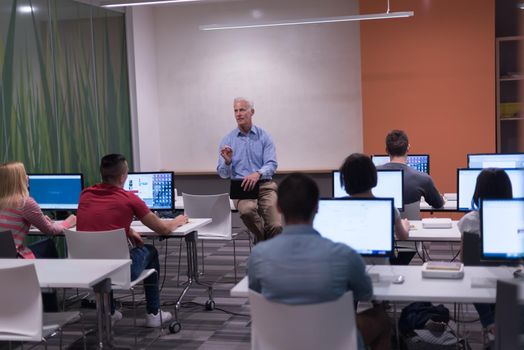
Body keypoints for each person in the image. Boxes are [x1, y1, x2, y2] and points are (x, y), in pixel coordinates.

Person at [248, 172, 391, 350]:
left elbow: (255, 292)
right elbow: (366, 293)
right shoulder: (345, 255)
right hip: (334, 342)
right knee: (382, 318)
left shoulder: (258, 255)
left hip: (280, 341)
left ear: (278, 208)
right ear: (317, 207)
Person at [77, 154, 188, 327]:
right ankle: (153, 313)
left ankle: (110, 311)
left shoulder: (86, 194)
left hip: (87, 269)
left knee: (104, 256)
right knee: (150, 251)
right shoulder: (129, 199)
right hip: (120, 272)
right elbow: (163, 229)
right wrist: (178, 220)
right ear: (123, 177)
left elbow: (101, 220)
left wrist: (127, 229)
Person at [457, 168, 512, 338]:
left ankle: (488, 322)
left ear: (478, 192)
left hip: (480, 284)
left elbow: (465, 260)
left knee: (473, 273)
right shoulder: (515, 217)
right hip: (511, 280)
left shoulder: (469, 221)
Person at [217, 97, 281, 242]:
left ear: (252, 112)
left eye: (242, 110)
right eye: (235, 110)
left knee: (276, 225)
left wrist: (258, 174)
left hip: (264, 186)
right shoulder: (227, 140)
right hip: (242, 189)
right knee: (247, 211)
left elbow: (272, 164)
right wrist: (227, 162)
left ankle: (262, 245)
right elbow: (222, 174)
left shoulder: (264, 136)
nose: (238, 114)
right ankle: (265, 245)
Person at [0, 161, 76, 259]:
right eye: (24, 174)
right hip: (13, 260)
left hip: (3, 259)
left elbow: (9, 223)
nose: (27, 177)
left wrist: (34, 222)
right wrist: (68, 222)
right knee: (48, 245)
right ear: (19, 180)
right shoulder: (25, 203)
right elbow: (50, 231)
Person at [377, 130, 444, 211]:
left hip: (382, 223)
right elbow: (438, 204)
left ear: (386, 150)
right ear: (408, 148)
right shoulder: (424, 178)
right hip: (412, 223)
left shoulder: (372, 175)